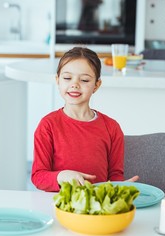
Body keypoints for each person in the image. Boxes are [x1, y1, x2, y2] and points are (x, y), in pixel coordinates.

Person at [31, 47, 138, 192]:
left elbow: (115, 176)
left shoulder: (112, 127)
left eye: (84, 80)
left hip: (98, 207)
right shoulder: (47, 125)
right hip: (60, 204)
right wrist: (61, 176)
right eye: (67, 78)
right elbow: (38, 177)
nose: (75, 84)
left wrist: (120, 188)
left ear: (96, 85)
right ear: (57, 80)